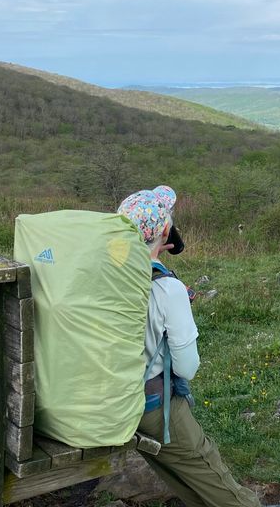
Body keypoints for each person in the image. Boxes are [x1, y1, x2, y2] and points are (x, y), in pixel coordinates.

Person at [117, 187, 262, 507]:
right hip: (146, 406)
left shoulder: (104, 273)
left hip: (101, 400)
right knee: (204, 463)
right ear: (166, 232)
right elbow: (186, 368)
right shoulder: (166, 288)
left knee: (176, 467)